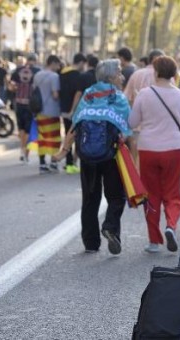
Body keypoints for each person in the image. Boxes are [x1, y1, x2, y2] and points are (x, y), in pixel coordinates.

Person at [54, 59, 130, 255]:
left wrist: (64, 149)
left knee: (90, 198)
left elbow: (75, 124)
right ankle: (111, 228)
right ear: (112, 77)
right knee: (116, 196)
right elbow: (127, 129)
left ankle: (90, 243)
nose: (122, 77)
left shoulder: (88, 94)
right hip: (111, 155)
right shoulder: (118, 98)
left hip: (87, 154)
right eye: (120, 73)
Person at [129, 56, 180, 254]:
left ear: (156, 72)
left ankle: (153, 241)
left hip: (148, 148)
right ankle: (171, 226)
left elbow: (132, 123)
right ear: (174, 74)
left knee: (152, 194)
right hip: (174, 148)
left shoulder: (144, 95)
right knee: (173, 193)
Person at [33, 55, 62, 174]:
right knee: (54, 137)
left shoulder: (38, 75)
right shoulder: (54, 76)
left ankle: (42, 163)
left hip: (39, 110)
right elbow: (55, 95)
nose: (59, 67)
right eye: (58, 64)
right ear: (53, 63)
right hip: (52, 111)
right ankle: (53, 162)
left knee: (42, 137)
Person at [59, 53, 87, 174]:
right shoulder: (79, 76)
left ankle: (68, 162)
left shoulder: (62, 74)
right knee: (78, 135)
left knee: (67, 134)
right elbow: (78, 93)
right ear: (81, 63)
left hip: (64, 109)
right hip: (76, 110)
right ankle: (75, 162)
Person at [10, 53, 40, 164]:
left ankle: (22, 151)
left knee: (21, 128)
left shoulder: (18, 71)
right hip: (31, 104)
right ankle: (26, 153)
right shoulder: (37, 71)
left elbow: (11, 86)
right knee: (29, 128)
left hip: (18, 103)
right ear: (35, 60)